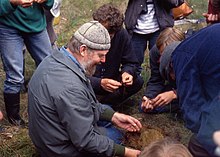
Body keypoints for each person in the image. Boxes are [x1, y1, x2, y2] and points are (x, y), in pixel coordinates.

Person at [28, 21, 142, 157]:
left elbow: (85, 103)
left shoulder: (58, 58)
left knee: (108, 117)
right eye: (100, 55)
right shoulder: (70, 87)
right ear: (83, 50)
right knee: (116, 137)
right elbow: (86, 140)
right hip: (59, 150)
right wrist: (127, 152)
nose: (104, 60)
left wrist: (113, 116)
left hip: (51, 134)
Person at [0, 0, 53, 126]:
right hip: (8, 27)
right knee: (15, 76)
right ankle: (14, 118)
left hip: (36, 25)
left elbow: (50, 4)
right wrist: (12, 3)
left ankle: (49, 108)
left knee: (50, 68)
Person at [171, 23, 220, 156]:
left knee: (199, 144)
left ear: (170, 68)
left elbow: (191, 106)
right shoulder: (199, 43)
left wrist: (204, 130)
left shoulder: (180, 56)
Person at [90, 3, 144, 106]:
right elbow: (73, 73)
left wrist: (127, 73)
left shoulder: (121, 35)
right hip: (89, 82)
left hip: (111, 81)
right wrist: (98, 83)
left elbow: (131, 61)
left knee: (138, 81)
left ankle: (107, 104)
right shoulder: (86, 34)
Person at [124, 0, 184, 73]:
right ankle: (136, 82)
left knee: (161, 63)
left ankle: (158, 82)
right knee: (133, 66)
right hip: (135, 29)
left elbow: (176, 2)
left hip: (160, 29)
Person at [141, 27, 185, 113]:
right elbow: (156, 80)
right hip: (173, 87)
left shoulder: (192, 54)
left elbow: (199, 85)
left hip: (192, 88)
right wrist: (149, 97)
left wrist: (175, 93)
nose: (163, 59)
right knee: (149, 106)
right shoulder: (155, 52)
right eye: (162, 54)